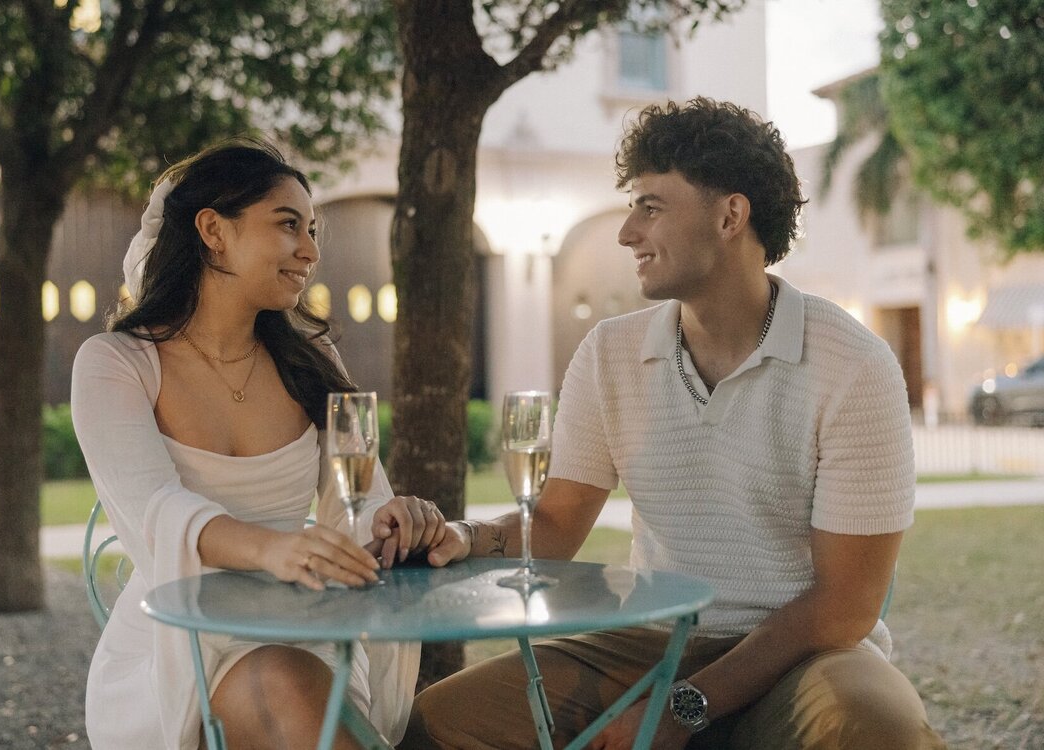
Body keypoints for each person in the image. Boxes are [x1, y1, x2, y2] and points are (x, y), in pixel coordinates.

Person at [403, 98, 946, 749]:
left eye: (651, 207)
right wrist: (463, 537)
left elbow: (845, 608)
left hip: (806, 655)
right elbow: (552, 526)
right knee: (438, 722)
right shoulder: (610, 354)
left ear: (730, 215)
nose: (627, 231)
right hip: (652, 642)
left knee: (876, 725)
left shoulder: (853, 366)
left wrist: (686, 706)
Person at [71, 138, 444, 750]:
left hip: (304, 628)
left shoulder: (316, 360)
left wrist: (397, 522)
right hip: (182, 639)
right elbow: (153, 509)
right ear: (214, 230)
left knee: (293, 680)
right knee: (284, 686)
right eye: (288, 225)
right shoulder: (114, 364)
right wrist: (275, 550)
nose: (312, 251)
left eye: (314, 229)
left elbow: (363, 506)